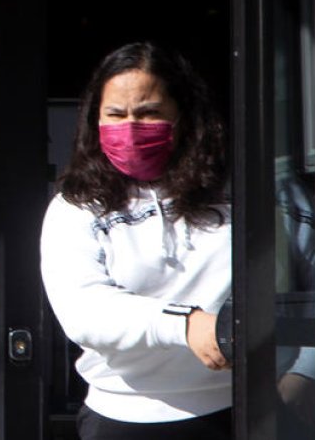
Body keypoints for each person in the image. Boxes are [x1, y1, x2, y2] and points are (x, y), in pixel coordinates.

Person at [40, 42, 233, 439]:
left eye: (149, 113)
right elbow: (84, 312)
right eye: (115, 114)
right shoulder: (75, 207)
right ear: (94, 121)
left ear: (184, 117)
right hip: (118, 419)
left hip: (235, 410)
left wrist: (299, 377)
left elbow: (309, 282)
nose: (130, 128)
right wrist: (184, 324)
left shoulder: (239, 194)